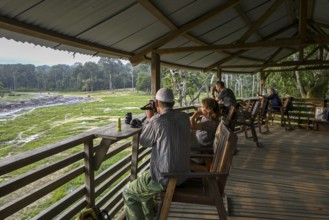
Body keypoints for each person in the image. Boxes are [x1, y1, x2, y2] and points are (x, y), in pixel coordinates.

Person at [122, 88, 191, 220]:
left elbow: (144, 141)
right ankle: (151, 215)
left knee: (128, 193)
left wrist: (149, 119)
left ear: (157, 104)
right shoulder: (184, 117)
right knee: (145, 178)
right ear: (173, 103)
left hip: (167, 178)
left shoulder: (157, 121)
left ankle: (149, 214)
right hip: (184, 172)